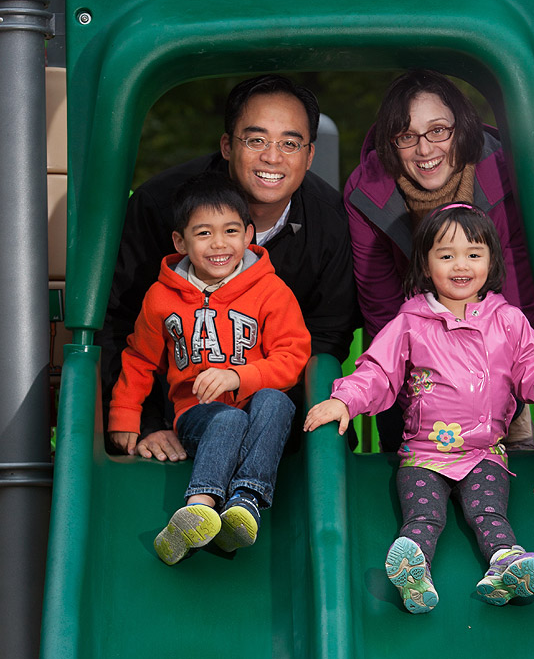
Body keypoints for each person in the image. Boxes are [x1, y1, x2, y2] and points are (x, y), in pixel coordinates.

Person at [304, 204, 534, 613]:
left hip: (484, 453)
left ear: (491, 260)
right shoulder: (410, 322)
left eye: (473, 254)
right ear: (425, 265)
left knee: (489, 511)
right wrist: (343, 400)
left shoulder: (508, 320)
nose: (461, 265)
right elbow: (377, 372)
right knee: (423, 516)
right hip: (423, 455)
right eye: (446, 255)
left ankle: (506, 566)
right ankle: (414, 573)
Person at [99, 74, 357, 461]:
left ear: (310, 155)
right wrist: (147, 422)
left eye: (290, 143)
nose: (273, 157)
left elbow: (327, 336)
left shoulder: (331, 220)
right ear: (226, 145)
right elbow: (120, 324)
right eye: (256, 140)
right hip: (179, 414)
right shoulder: (162, 205)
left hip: (278, 408)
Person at [109, 175, 310, 565]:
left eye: (231, 231)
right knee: (227, 421)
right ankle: (198, 508)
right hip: (198, 415)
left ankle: (244, 505)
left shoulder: (270, 291)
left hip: (259, 413)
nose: (219, 244)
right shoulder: (161, 297)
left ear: (249, 235)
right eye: (204, 233)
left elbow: (293, 355)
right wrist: (125, 414)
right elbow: (139, 358)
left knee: (277, 402)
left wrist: (240, 376)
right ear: (180, 242)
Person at [344, 68, 534, 452]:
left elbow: (519, 292)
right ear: (390, 143)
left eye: (438, 130)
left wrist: (496, 393)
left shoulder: (504, 174)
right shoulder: (368, 194)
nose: (425, 149)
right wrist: (422, 401)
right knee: (415, 484)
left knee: (503, 478)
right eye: (406, 136)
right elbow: (381, 308)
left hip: (496, 372)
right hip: (413, 377)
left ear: (461, 127)